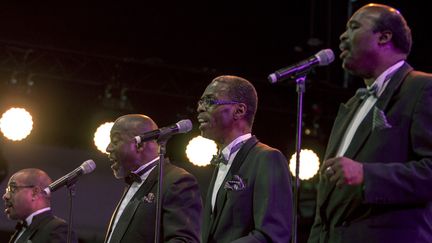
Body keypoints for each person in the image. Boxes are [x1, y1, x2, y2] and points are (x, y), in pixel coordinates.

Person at [308, 3, 432, 243]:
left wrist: (368, 175)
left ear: (384, 37)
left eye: (354, 27)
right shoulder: (352, 105)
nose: (343, 36)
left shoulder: (422, 88)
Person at [197, 75, 293, 242]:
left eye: (210, 101)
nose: (200, 108)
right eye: (200, 101)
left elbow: (273, 234)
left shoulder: (267, 158)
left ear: (239, 111)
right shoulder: (221, 163)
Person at [104, 114, 202, 243]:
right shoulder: (133, 181)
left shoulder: (177, 181)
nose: (108, 148)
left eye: (115, 141)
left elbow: (183, 240)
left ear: (139, 145)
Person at [3, 168, 78, 243]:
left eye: (12, 189)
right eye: (7, 190)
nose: (5, 196)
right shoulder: (21, 230)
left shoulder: (58, 230)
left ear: (35, 193)